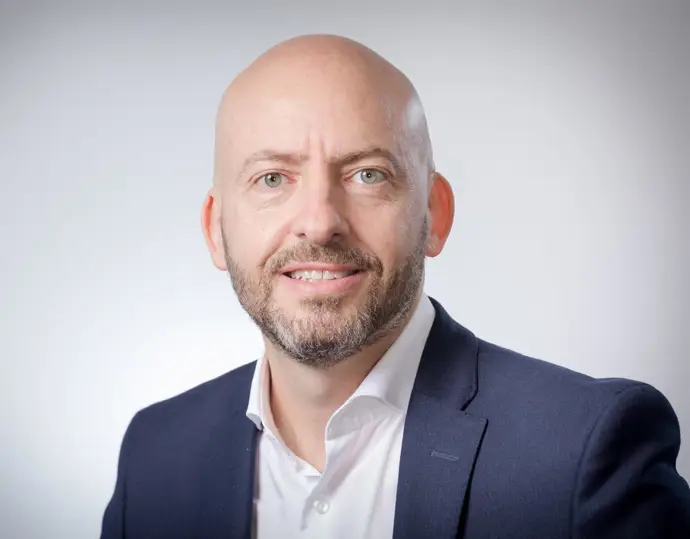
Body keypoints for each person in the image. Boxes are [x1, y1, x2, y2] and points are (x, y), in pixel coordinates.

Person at [100, 34, 690, 539]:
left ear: (435, 214)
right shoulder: (155, 455)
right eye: (272, 178)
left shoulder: (587, 451)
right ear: (216, 230)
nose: (320, 221)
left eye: (367, 174)